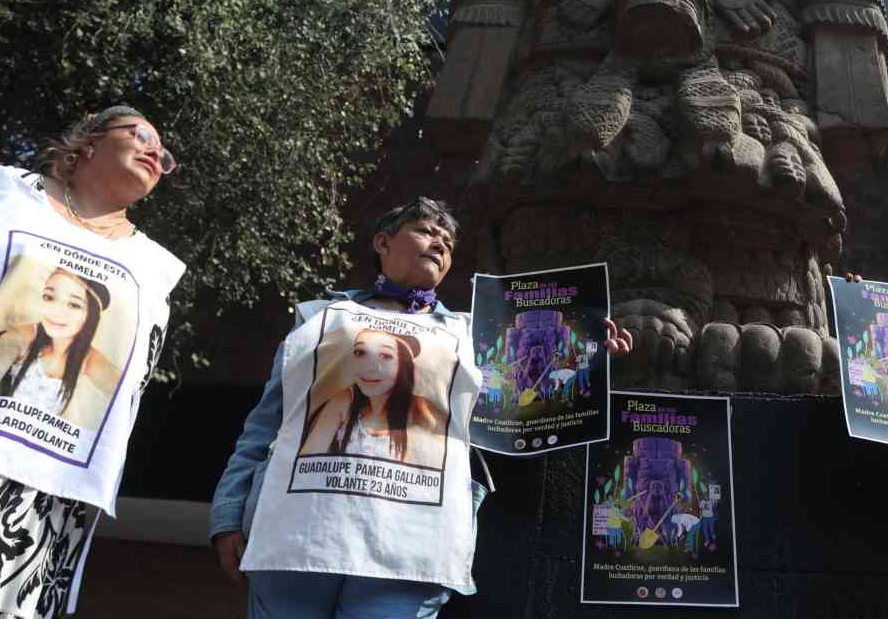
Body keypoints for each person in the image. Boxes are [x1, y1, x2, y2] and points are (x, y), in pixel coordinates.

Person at [211, 197, 632, 619]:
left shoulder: (472, 336)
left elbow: (523, 406)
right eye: (427, 231)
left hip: (408, 544)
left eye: (447, 242)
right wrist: (228, 516)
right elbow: (265, 426)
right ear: (383, 241)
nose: (439, 244)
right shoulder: (319, 318)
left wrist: (588, 360)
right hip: (297, 533)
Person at [0, 106, 185, 619]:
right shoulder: (6, 193)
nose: (153, 152)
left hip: (55, 487)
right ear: (91, 143)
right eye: (140, 134)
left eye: (162, 154)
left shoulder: (154, 267)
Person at [0, 266, 121, 424]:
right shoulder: (26, 334)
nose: (55, 311)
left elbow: (124, 393)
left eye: (74, 305)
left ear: (91, 316)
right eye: (49, 297)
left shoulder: (88, 358)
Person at [299, 329, 446, 466]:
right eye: (360, 352)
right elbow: (306, 462)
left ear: (404, 366)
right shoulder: (345, 399)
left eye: (385, 356)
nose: (369, 366)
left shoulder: (420, 410)